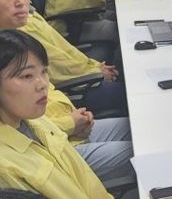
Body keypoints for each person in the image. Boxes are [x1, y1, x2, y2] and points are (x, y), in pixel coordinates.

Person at [0, 0, 126, 110]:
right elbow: (56, 64)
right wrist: (95, 72)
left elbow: (64, 50)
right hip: (72, 92)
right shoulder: (19, 27)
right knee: (132, 93)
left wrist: (95, 67)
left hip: (69, 92)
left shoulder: (28, 13)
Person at [0, 29, 113, 197]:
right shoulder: (6, 169)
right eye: (27, 76)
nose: (42, 84)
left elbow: (85, 180)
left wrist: (75, 134)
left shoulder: (35, 121)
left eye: (44, 71)